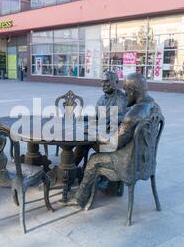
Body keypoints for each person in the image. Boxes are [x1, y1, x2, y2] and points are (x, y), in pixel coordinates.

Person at [68, 72, 161, 208]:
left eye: (127, 91)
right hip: (146, 159)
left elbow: (115, 142)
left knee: (94, 159)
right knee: (84, 146)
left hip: (128, 159)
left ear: (132, 91)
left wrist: (96, 134)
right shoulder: (154, 106)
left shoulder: (132, 114)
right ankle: (74, 173)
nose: (125, 94)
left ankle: (80, 199)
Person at [73, 71, 128, 166]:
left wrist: (99, 125)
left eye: (107, 81)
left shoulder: (122, 98)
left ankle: (88, 173)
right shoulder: (101, 99)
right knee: (81, 144)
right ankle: (71, 170)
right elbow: (98, 116)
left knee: (85, 140)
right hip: (101, 133)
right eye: (102, 82)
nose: (103, 84)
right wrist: (83, 118)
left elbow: (123, 118)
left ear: (116, 82)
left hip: (113, 139)